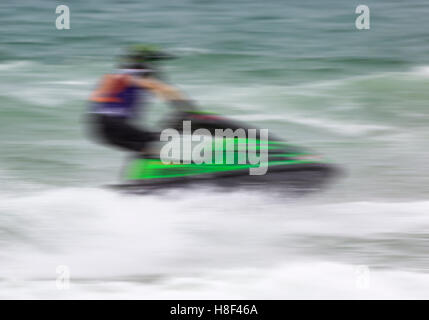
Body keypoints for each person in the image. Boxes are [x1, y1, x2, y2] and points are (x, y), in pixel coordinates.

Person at [88, 45, 188, 153]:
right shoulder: (133, 75)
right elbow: (164, 90)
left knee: (144, 147)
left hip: (99, 127)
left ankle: (146, 167)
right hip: (114, 124)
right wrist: (189, 111)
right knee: (156, 138)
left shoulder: (116, 76)